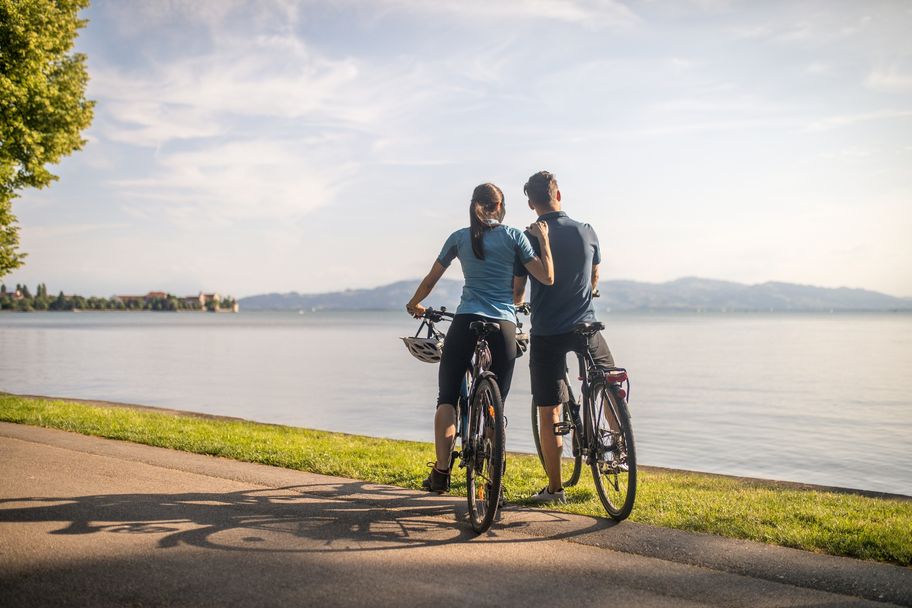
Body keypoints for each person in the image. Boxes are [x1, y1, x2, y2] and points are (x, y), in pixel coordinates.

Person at [406, 182, 554, 493]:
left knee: (447, 397)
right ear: (500, 207)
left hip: (467, 321)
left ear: (473, 205)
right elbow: (547, 277)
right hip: (503, 324)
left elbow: (431, 279)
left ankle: (441, 473)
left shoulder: (459, 237)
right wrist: (544, 241)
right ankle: (492, 478)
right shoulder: (514, 237)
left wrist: (414, 303)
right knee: (496, 403)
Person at [513, 170, 616, 504]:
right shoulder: (586, 231)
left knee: (549, 411)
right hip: (585, 325)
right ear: (558, 195)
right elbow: (595, 275)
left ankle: (555, 489)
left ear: (532, 204)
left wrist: (519, 303)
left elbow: (517, 291)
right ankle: (619, 447)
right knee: (608, 382)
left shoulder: (528, 238)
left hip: (547, 331)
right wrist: (591, 291)